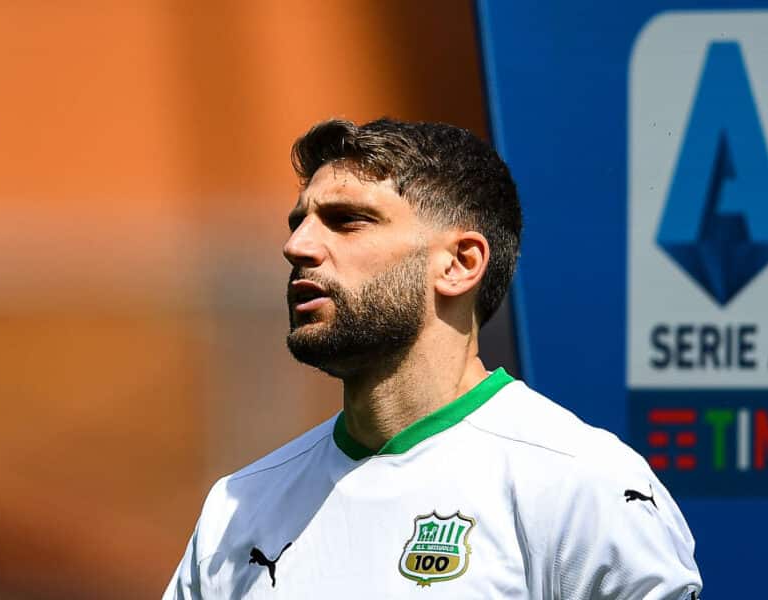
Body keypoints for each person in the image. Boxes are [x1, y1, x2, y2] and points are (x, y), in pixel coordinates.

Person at [163, 118, 702, 599]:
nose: (298, 246)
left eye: (347, 220)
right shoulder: (238, 506)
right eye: (298, 222)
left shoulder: (581, 485)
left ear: (459, 264)